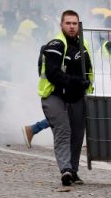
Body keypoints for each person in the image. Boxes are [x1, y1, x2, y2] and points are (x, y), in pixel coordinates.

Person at [39, 10, 93, 186]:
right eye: (68, 23)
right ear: (61, 25)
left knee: (77, 136)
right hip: (54, 95)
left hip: (76, 97)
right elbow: (53, 74)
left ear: (79, 25)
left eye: (74, 23)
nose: (71, 27)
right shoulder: (56, 44)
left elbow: (89, 71)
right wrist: (77, 82)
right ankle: (66, 170)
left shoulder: (82, 43)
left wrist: (88, 88)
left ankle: (74, 171)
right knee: (63, 131)